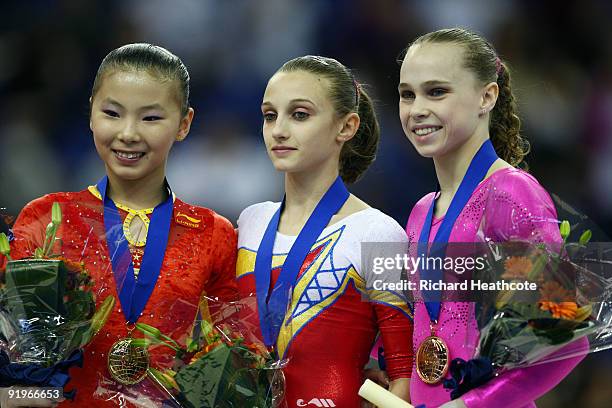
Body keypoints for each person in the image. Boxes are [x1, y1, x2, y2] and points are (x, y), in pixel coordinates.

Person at [1, 43, 237, 407]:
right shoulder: (47, 219)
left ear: (184, 124)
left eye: (150, 118)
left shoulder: (212, 233)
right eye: (112, 113)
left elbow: (231, 362)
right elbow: (13, 362)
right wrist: (17, 395)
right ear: (91, 115)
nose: (128, 133)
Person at [398, 28, 587, 407]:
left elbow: (566, 339)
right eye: (407, 94)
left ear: (487, 96)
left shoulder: (511, 194)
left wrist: (472, 404)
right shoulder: (421, 211)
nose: (417, 108)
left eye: (437, 91)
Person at [235, 55, 413, 407]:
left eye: (300, 115)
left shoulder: (377, 232)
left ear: (346, 126)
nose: (279, 130)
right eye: (270, 115)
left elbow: (402, 375)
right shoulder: (250, 222)